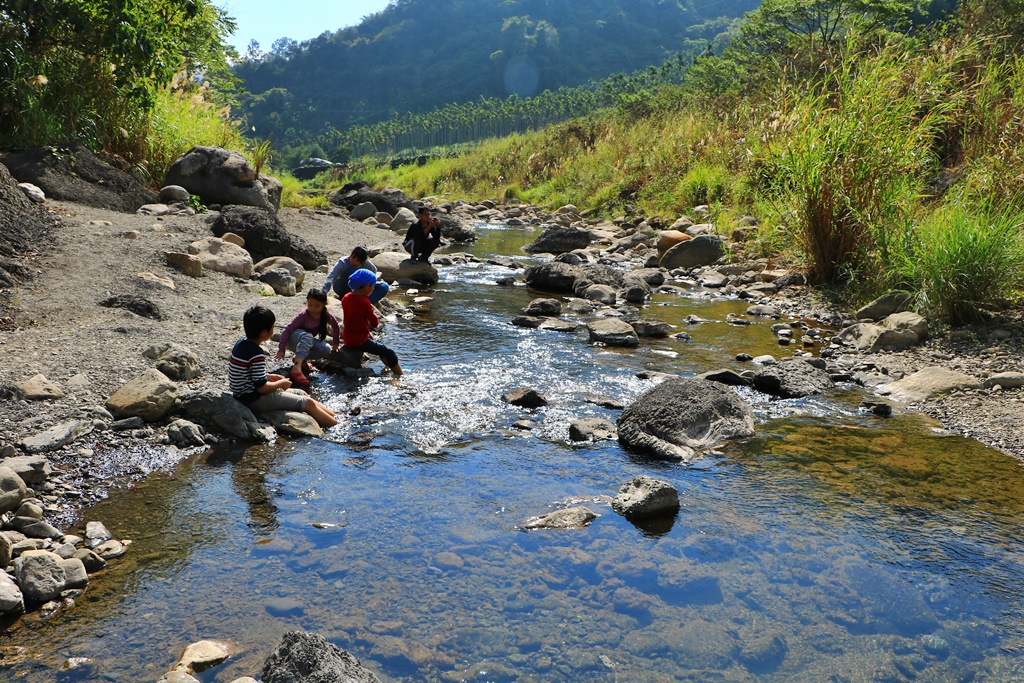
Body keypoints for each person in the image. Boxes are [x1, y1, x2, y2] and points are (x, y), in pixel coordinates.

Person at [229, 305, 338, 428]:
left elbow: (245, 372)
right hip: (254, 399)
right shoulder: (256, 353)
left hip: (244, 393)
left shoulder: (241, 343)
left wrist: (267, 376)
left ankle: (335, 416)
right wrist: (280, 384)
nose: (273, 330)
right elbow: (262, 388)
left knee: (301, 392)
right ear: (264, 332)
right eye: (272, 327)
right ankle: (337, 425)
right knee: (307, 403)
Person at [342, 269, 402, 377]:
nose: (374, 288)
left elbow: (354, 319)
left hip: (348, 337)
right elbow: (374, 323)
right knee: (389, 352)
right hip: (359, 341)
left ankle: (387, 367)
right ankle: (399, 374)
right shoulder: (364, 302)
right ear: (366, 286)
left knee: (378, 345)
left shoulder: (346, 298)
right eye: (372, 286)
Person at [274, 289, 340, 387]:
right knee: (308, 336)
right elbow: (287, 330)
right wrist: (281, 349)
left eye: (317, 306)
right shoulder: (303, 315)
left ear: (324, 304)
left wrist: (335, 343)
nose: (312, 308)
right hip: (293, 340)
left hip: (305, 342)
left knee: (326, 349)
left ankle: (300, 360)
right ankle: (296, 368)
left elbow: (336, 327)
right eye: (310, 304)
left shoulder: (326, 315)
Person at [323, 246, 389, 305]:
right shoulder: (342, 262)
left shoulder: (366, 264)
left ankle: (366, 303)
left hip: (361, 288)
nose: (354, 261)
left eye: (357, 261)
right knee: (351, 271)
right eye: (353, 257)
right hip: (341, 286)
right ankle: (355, 299)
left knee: (384, 286)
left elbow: (373, 272)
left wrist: (370, 285)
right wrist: (324, 291)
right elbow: (331, 277)